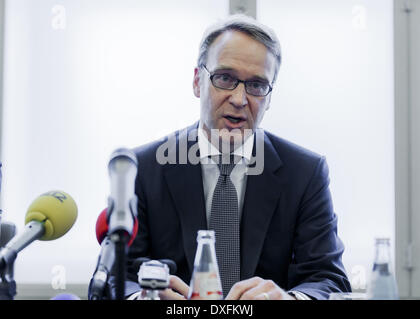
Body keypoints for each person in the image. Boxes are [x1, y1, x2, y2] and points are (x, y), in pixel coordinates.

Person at [106, 14, 351, 300]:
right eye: (225, 78)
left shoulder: (305, 173)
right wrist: (144, 298)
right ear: (198, 82)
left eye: (256, 85)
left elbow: (328, 279)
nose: (238, 98)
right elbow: (115, 277)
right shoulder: (144, 168)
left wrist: (288, 299)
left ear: (269, 97)